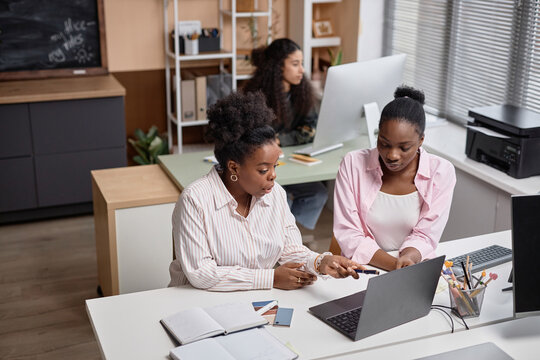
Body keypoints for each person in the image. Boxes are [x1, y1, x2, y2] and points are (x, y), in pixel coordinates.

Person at [168, 91, 363, 291]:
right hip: (196, 301)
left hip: (252, 300)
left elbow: (289, 249)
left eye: (275, 166)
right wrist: (271, 279)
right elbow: (201, 273)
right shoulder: (195, 200)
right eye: (263, 170)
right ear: (234, 167)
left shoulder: (275, 194)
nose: (273, 176)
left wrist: (321, 262)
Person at [333, 86, 456, 271]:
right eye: (384, 143)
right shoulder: (353, 164)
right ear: (377, 134)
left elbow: (427, 234)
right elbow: (349, 233)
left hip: (414, 267)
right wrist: (396, 267)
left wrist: (408, 258)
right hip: (362, 269)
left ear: (421, 140)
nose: (392, 155)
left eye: (404, 148)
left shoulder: (441, 172)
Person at [243, 38, 327, 231]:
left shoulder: (303, 94)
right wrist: (278, 141)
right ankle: (280, 243)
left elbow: (310, 130)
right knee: (279, 200)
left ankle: (291, 239)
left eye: (302, 64)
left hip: (291, 161)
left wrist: (281, 140)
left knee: (318, 193)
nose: (302, 70)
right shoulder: (255, 95)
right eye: (295, 64)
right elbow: (255, 137)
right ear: (278, 67)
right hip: (264, 167)